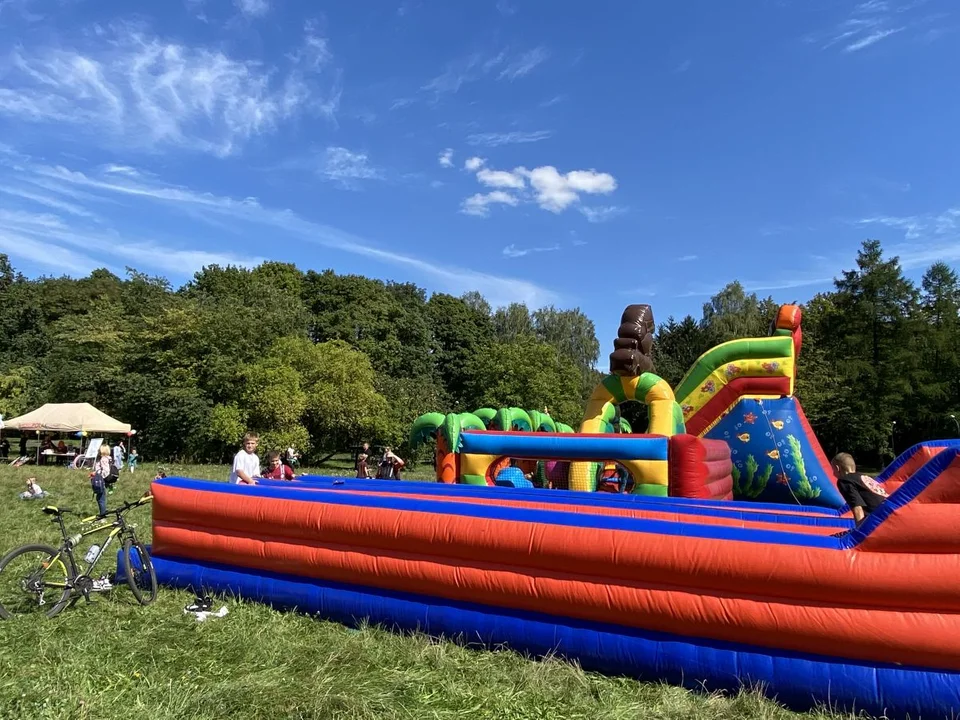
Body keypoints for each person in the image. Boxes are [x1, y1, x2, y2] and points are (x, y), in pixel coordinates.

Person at [833, 452, 888, 526]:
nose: (833, 474)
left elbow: (857, 508)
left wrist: (858, 533)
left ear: (837, 468)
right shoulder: (863, 477)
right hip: (889, 514)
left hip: (880, 522)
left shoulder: (845, 480)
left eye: (833, 470)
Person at [91, 445, 112, 517]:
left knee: (100, 498)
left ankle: (103, 516)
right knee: (101, 497)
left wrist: (97, 475)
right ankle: (103, 512)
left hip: (101, 480)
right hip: (103, 480)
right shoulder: (108, 458)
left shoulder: (103, 459)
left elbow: (106, 471)